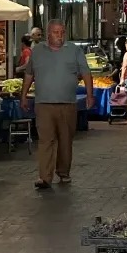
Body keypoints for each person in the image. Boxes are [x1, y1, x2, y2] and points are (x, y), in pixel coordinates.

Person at [21, 20, 94, 190]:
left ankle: (63, 172)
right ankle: (44, 177)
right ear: (48, 34)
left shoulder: (74, 50)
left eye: (62, 32)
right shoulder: (38, 51)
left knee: (65, 140)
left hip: (67, 103)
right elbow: (29, 74)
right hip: (43, 103)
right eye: (56, 32)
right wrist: (23, 95)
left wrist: (90, 95)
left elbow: (86, 73)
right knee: (46, 140)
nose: (59, 36)